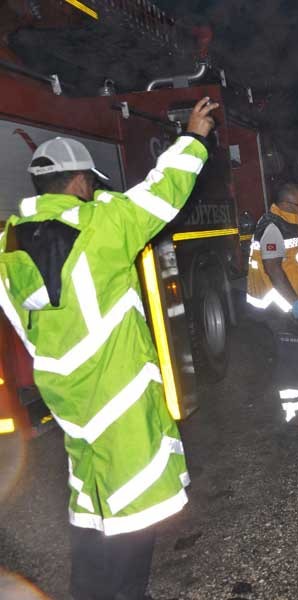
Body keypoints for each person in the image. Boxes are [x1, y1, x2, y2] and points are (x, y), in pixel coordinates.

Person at [0, 97, 217, 599]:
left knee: (93, 504)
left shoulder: (9, 243)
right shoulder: (103, 224)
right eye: (91, 182)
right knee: (136, 511)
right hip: (118, 394)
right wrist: (195, 137)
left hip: (68, 401)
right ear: (79, 182)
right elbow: (163, 192)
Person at [246, 183, 298, 426]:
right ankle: (292, 412)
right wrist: (296, 304)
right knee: (291, 360)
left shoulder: (288, 223)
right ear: (287, 203)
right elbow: (273, 269)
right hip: (280, 307)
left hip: (292, 305)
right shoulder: (273, 226)